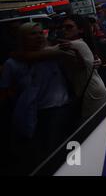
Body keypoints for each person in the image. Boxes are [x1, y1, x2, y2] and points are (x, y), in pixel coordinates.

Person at [0, 22, 72, 175]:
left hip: (59, 108)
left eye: (40, 33)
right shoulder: (12, 64)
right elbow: (6, 90)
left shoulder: (53, 54)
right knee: (41, 153)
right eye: (33, 33)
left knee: (61, 149)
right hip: (31, 115)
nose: (39, 36)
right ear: (22, 38)